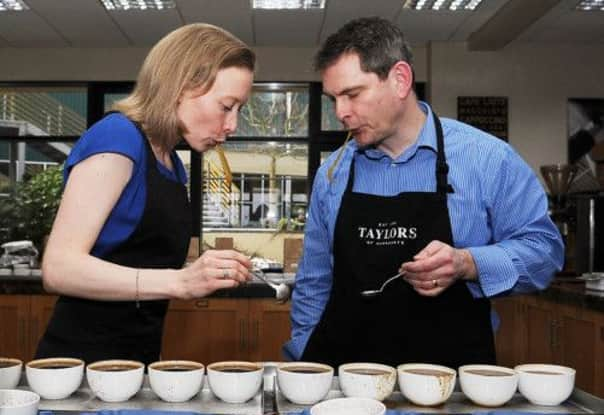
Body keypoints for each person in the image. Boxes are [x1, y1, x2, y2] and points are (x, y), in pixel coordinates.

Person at [284, 17, 564, 369]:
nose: (340, 112)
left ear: (400, 79)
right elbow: (314, 282)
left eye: (353, 95)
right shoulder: (333, 173)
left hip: (452, 385)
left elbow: (545, 252)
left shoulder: (487, 159)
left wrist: (468, 263)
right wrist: (307, 358)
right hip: (348, 385)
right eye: (334, 99)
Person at [37, 23, 255, 365]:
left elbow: (138, 260)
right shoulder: (118, 137)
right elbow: (59, 268)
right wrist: (180, 281)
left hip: (137, 360)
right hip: (81, 364)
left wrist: (201, 271)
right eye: (226, 106)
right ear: (181, 88)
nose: (232, 126)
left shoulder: (170, 162)